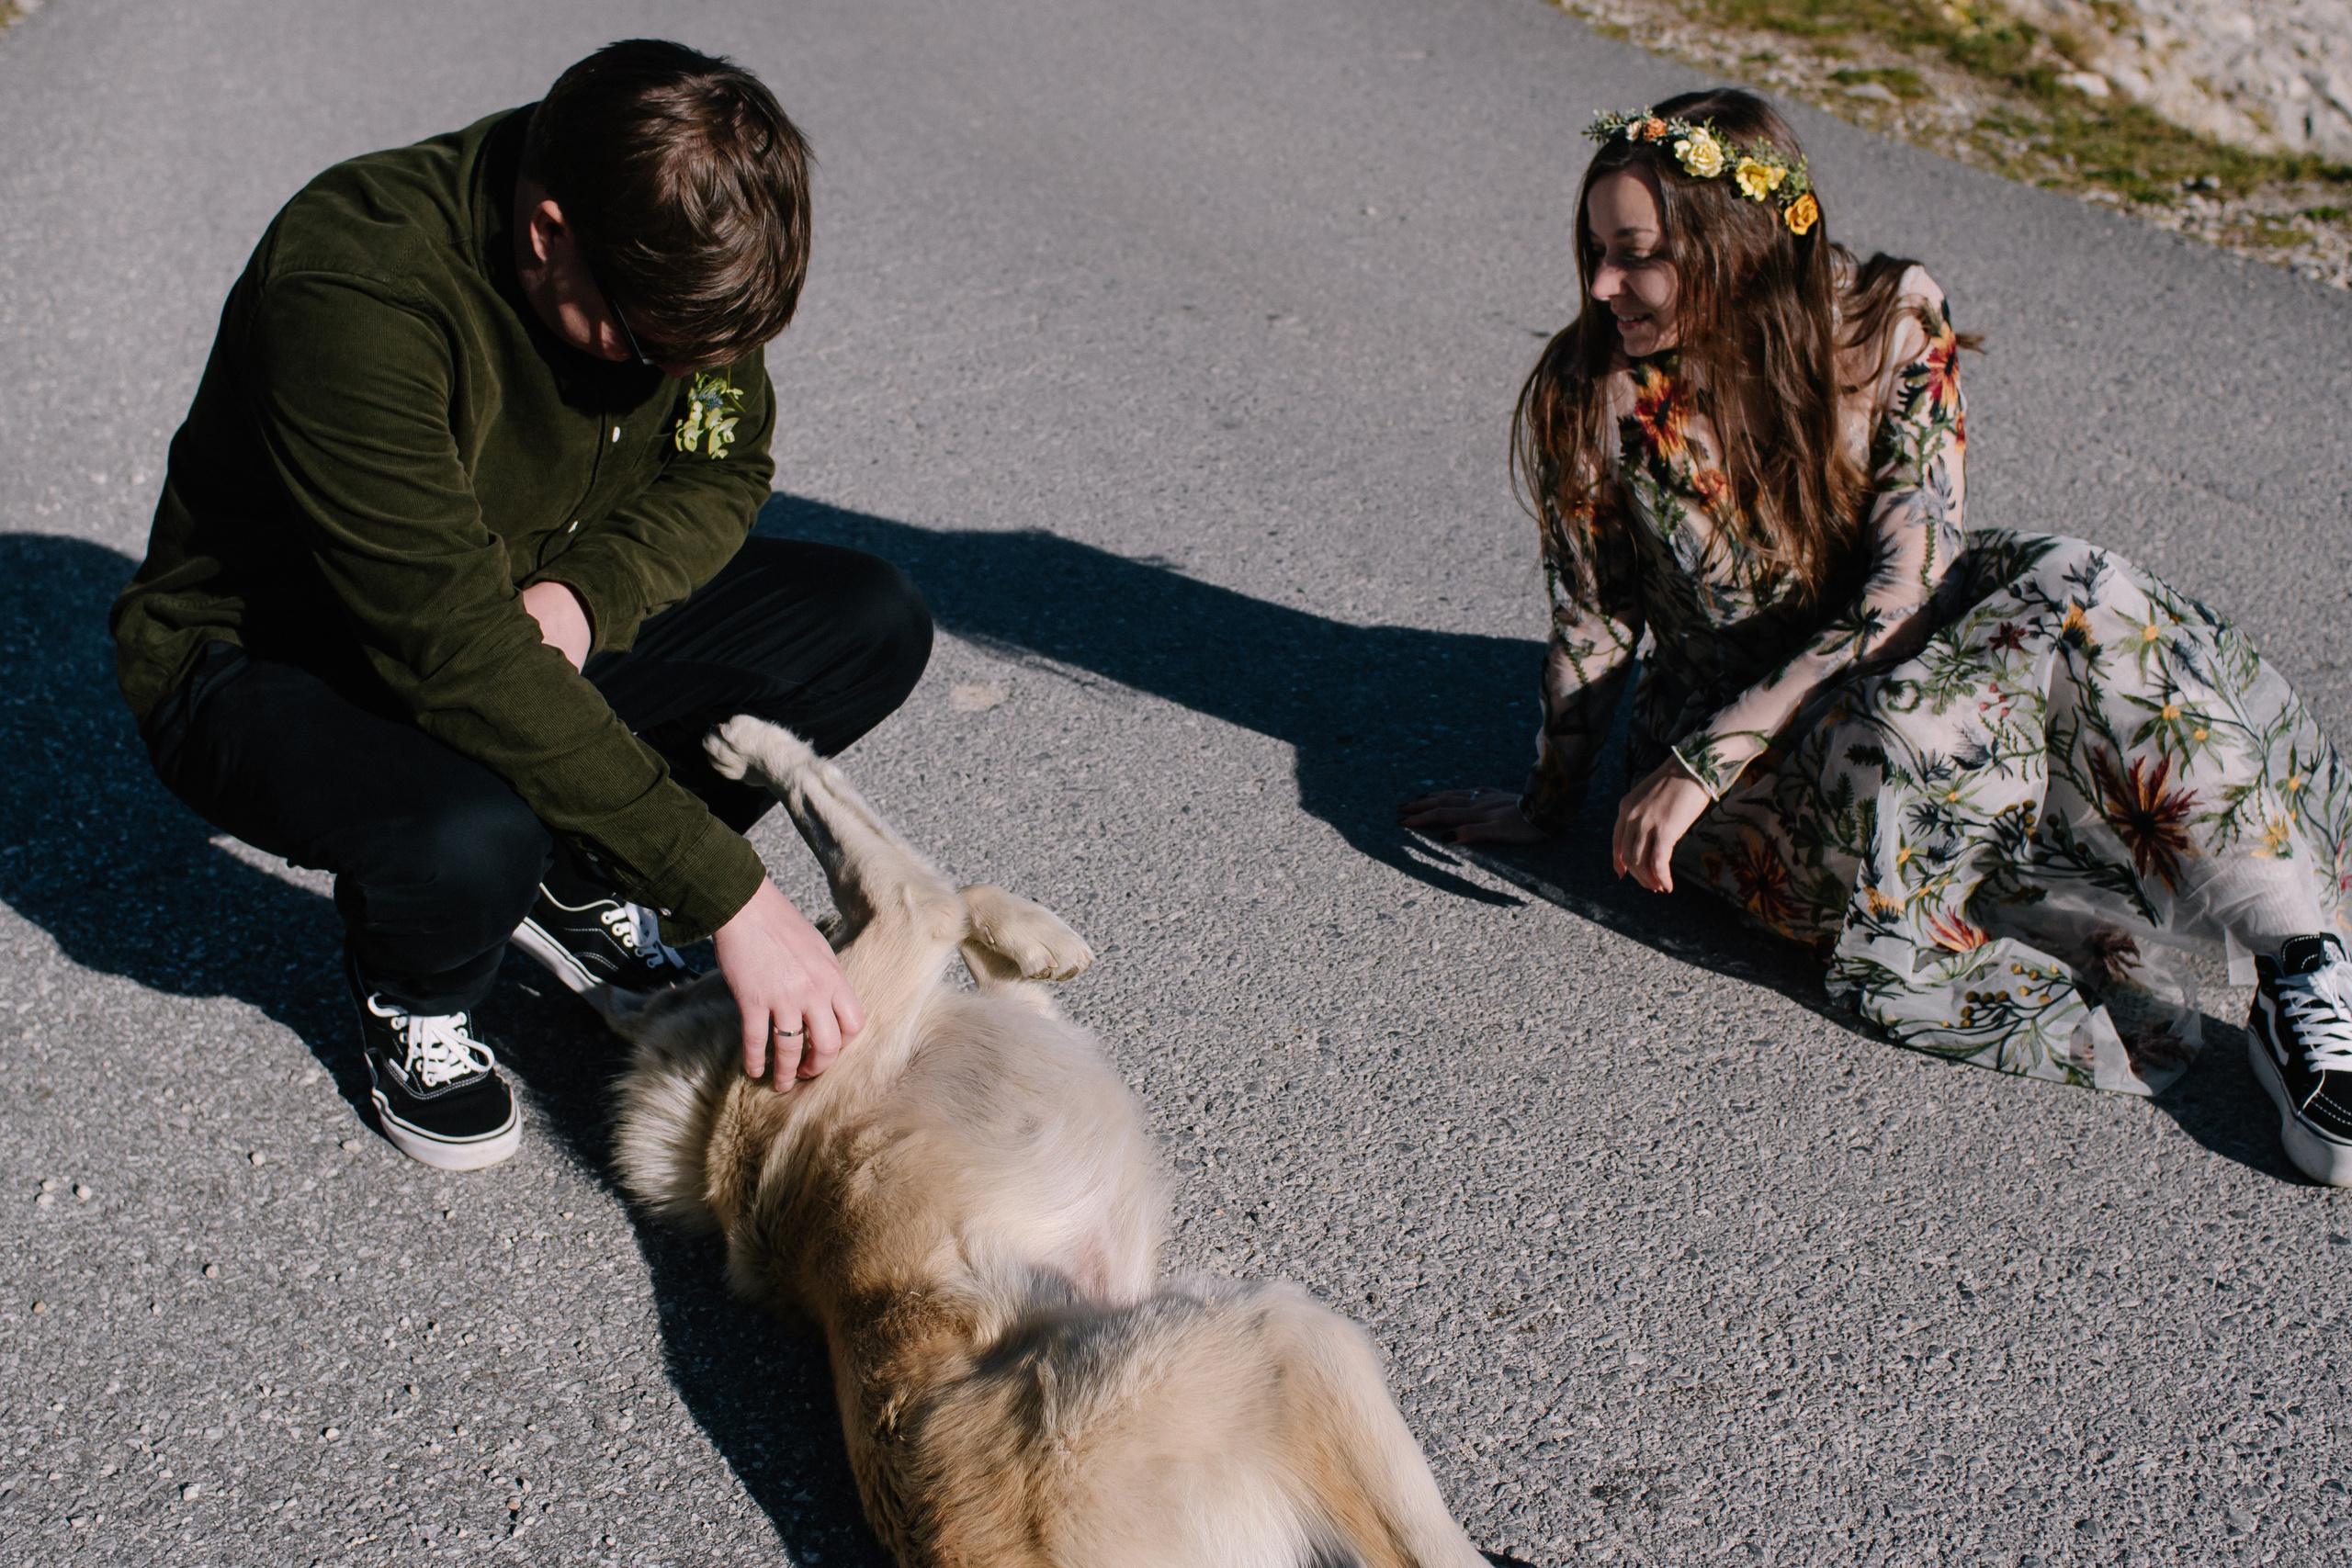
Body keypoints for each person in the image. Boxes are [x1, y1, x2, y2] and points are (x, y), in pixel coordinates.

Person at [1401, 89, 2352, 1183]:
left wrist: (1708, 755)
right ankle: (2046, 890)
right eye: (1596, 251)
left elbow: (1909, 582)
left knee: (2075, 582)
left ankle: (2299, 968)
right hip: (1773, 770)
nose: (1603, 285)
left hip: (1909, 668)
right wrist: (1548, 800)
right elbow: (1593, 618)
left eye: (1637, 256)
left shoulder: (1889, 319)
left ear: (1738, 243)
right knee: (1907, 725)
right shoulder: (1594, 391)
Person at [111, 40, 933, 1171]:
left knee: (866, 621)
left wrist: (588, 597)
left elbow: (722, 468)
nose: (680, 375)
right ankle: (418, 987)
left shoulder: (671, 254)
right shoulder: (354, 285)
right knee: (477, 828)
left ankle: (577, 880)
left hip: (522, 604)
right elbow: (454, 653)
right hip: (278, 656)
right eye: (651, 346)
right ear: (548, 232)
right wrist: (732, 898)